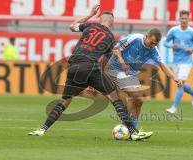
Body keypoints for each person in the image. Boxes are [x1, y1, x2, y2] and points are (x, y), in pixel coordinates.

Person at [28, 4, 153, 141]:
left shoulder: (89, 26)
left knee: (64, 101)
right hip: (92, 67)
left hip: (74, 67)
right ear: (112, 22)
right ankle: (133, 132)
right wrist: (96, 81)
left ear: (99, 19)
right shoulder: (110, 37)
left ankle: (42, 129)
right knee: (115, 99)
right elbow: (104, 61)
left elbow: (72, 26)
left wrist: (90, 15)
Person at [107, 29, 183, 127]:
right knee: (134, 95)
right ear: (146, 36)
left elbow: (162, 65)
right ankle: (128, 127)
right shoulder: (134, 38)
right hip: (116, 69)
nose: (152, 46)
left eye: (155, 44)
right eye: (151, 43)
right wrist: (123, 63)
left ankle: (131, 128)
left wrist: (174, 77)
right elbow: (116, 49)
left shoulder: (153, 50)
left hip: (130, 73)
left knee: (139, 100)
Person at [163, 10, 193, 114]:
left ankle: (174, 107)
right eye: (182, 18)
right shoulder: (173, 30)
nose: (184, 20)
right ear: (179, 19)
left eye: (186, 18)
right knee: (181, 83)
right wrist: (171, 45)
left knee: (180, 83)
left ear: (189, 19)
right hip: (175, 61)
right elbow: (165, 42)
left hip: (186, 62)